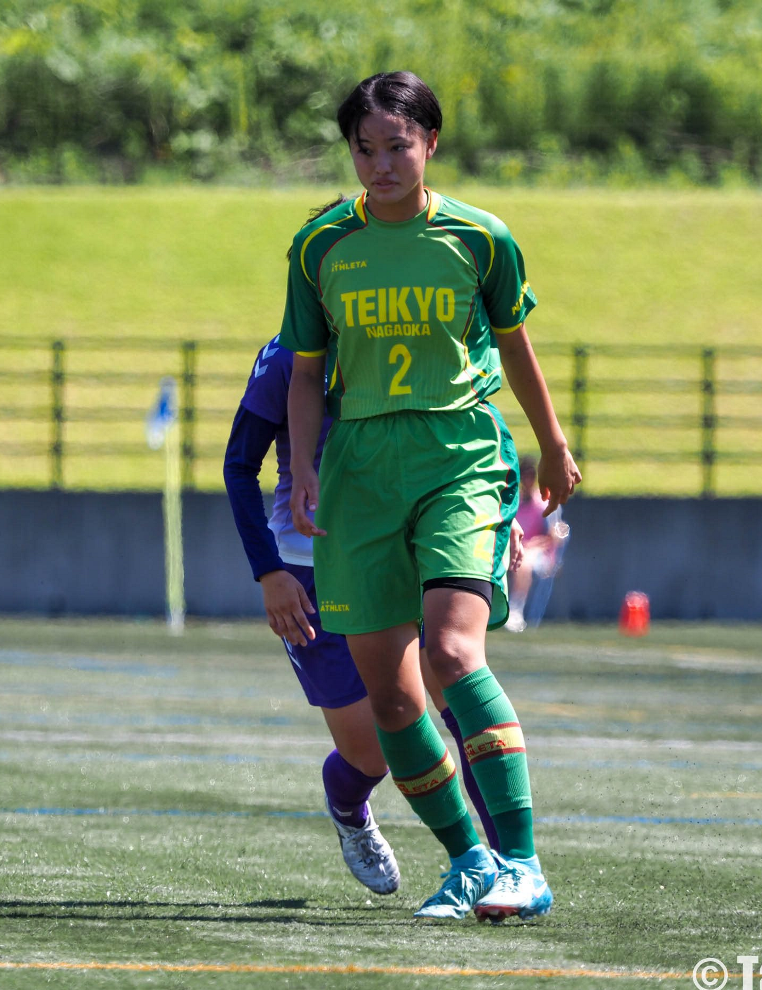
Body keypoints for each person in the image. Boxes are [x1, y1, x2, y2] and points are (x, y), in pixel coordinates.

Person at [279, 72, 581, 921]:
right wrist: (303, 466)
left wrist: (552, 445)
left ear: (430, 144)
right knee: (393, 696)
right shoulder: (320, 246)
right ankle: (470, 861)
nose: (380, 164)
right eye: (364, 149)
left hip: (458, 453)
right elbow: (306, 374)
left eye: (397, 145)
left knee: (451, 655)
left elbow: (517, 347)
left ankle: (523, 862)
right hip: (360, 470)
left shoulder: (481, 239)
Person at [224, 287, 518, 889]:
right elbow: (238, 463)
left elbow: (466, 422)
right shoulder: (287, 358)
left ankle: (504, 866)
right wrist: (269, 571)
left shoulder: (407, 334)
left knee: (456, 691)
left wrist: (495, 512)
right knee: (374, 750)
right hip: (311, 568)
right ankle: (349, 811)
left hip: (400, 547)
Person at [505, 453, 568, 632]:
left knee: (524, 563)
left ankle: (515, 609)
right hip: (512, 549)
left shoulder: (544, 502)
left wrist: (532, 545)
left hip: (540, 555)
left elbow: (555, 536)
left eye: (531, 475)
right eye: (524, 475)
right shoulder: (512, 501)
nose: (527, 479)